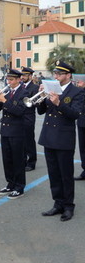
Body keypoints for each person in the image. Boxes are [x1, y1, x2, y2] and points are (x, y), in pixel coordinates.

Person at [38, 61, 83, 221]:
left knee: (66, 175)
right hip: (49, 136)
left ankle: (68, 206)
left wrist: (59, 103)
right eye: (55, 73)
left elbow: (75, 114)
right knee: (54, 174)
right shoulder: (51, 89)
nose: (55, 76)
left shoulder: (77, 92)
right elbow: (41, 111)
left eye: (59, 74)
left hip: (64, 139)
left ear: (68, 75)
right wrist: (42, 97)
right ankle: (58, 203)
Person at [0, 69, 28, 199]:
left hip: (17, 131)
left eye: (12, 80)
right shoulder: (7, 92)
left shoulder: (24, 93)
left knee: (17, 160)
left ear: (19, 79)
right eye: (8, 79)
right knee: (7, 159)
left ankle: (19, 187)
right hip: (5, 130)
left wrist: (4, 100)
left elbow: (19, 111)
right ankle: (10, 183)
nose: (9, 82)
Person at [21, 67, 39, 171]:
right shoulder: (21, 86)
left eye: (25, 75)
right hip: (20, 116)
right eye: (22, 75)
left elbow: (35, 103)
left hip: (28, 116)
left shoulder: (34, 87)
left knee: (29, 140)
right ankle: (23, 160)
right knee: (21, 140)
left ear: (30, 76)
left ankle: (32, 162)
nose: (22, 77)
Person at [75, 77, 85, 181]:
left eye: (80, 81)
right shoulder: (79, 92)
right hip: (82, 121)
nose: (78, 83)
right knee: (83, 148)